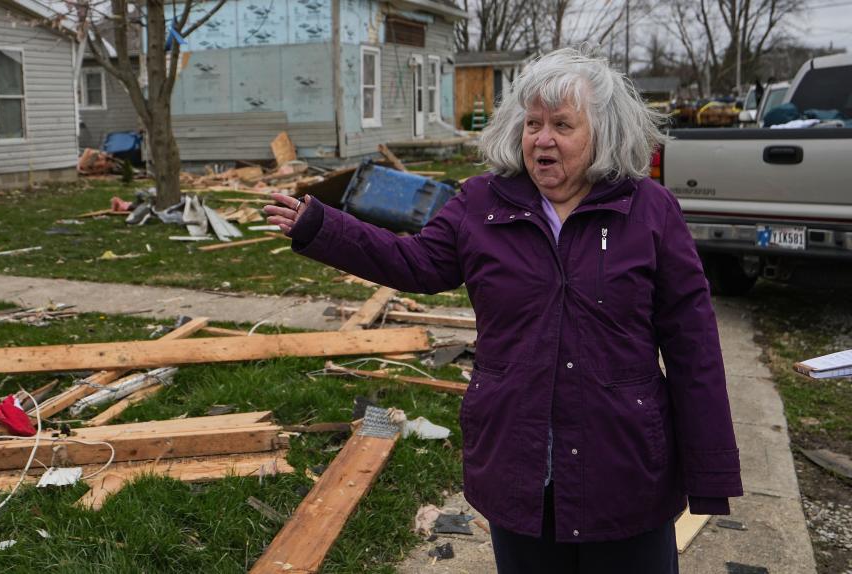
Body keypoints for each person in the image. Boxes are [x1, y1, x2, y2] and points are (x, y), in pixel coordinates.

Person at [265, 47, 742, 573]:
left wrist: (710, 472)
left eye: (563, 124)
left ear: (603, 132)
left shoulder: (649, 210)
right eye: (533, 122)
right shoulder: (480, 204)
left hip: (625, 469)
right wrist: (322, 227)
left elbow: (693, 347)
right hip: (519, 463)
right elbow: (415, 262)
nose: (543, 138)